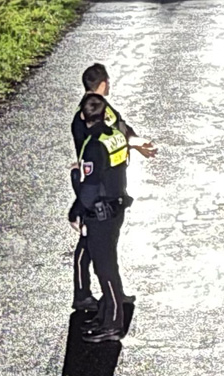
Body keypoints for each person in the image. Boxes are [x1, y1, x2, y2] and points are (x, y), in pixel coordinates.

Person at [69, 64, 154, 313]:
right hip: (96, 185)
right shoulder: (92, 112)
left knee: (102, 242)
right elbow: (110, 135)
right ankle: (84, 293)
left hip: (104, 183)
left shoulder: (94, 108)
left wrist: (135, 143)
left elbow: (121, 128)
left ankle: (111, 292)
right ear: (103, 83)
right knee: (89, 241)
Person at [75, 93, 134, 343]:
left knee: (104, 268)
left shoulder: (92, 144)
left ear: (82, 116)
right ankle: (108, 313)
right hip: (116, 205)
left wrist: (76, 210)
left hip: (101, 212)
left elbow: (90, 186)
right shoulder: (115, 136)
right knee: (109, 263)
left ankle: (112, 323)